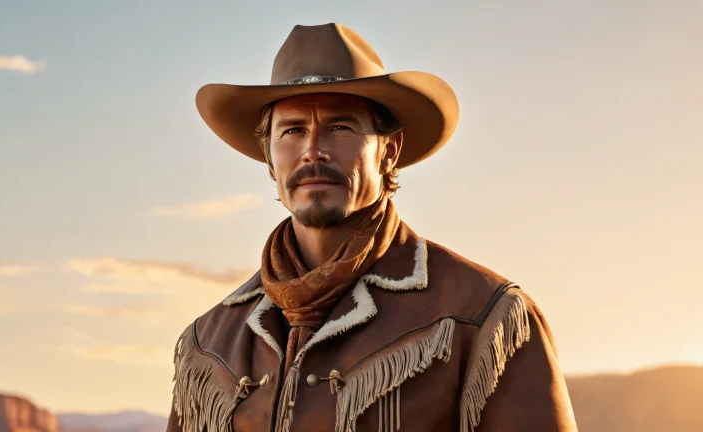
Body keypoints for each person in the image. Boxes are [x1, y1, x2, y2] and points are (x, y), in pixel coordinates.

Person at [167, 23, 578, 432]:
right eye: (292, 130)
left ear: (389, 151)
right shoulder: (207, 345)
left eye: (340, 127)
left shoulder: (483, 318)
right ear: (270, 159)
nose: (313, 150)